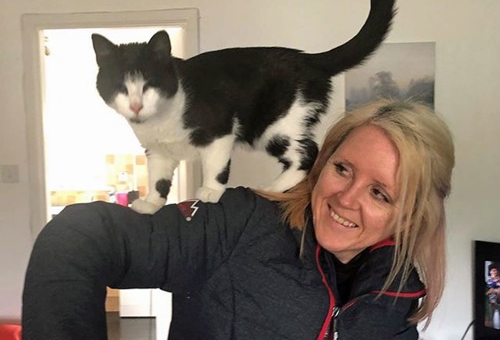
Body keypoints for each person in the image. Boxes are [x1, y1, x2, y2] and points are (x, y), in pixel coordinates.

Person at [21, 98, 455, 340]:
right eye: (342, 169)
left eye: (380, 193)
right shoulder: (239, 223)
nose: (345, 198)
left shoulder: (398, 290)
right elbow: (79, 236)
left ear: (412, 215)